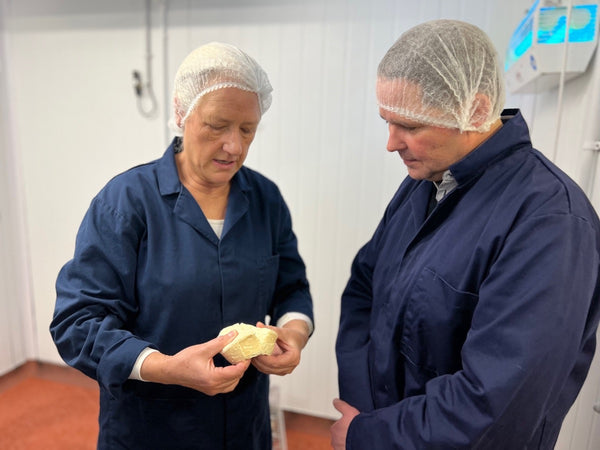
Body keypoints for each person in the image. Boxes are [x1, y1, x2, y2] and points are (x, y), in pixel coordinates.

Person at [332, 19, 600, 450]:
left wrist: (372, 435)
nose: (391, 143)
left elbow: (499, 403)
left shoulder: (549, 220)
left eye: (410, 127)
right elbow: (365, 287)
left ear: (474, 110)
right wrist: (362, 410)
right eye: (386, 121)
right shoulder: (423, 185)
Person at [50, 42, 313, 449]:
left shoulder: (265, 200)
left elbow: (291, 287)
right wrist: (166, 368)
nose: (235, 147)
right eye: (217, 125)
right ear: (181, 114)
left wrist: (292, 336)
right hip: (153, 428)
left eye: (247, 129)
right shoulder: (126, 202)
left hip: (243, 426)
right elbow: (78, 322)